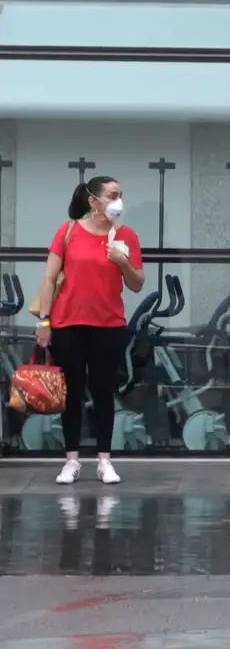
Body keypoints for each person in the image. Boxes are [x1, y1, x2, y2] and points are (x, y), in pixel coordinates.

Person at [34, 176, 144, 485]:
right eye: (112, 195)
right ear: (93, 201)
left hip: (108, 326)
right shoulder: (67, 231)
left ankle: (104, 461)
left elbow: (136, 284)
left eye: (120, 194)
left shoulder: (127, 236)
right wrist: (44, 321)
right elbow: (49, 277)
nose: (118, 201)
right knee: (71, 393)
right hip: (68, 324)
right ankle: (71, 460)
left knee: (103, 392)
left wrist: (122, 262)